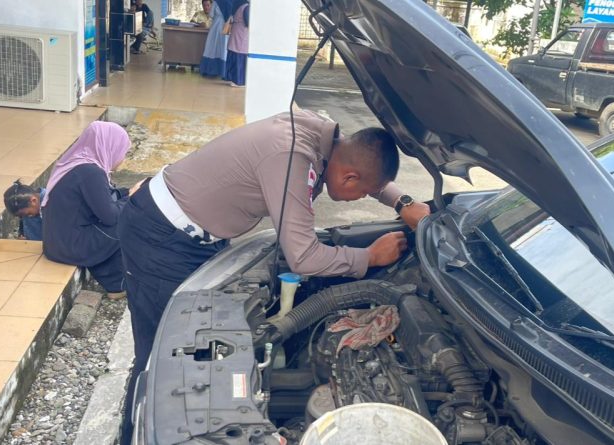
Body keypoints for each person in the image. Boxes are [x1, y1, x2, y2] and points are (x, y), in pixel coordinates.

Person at [116, 109, 429, 443]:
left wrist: (402, 201)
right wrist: (369, 257)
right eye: (365, 193)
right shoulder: (292, 158)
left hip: (194, 232)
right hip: (161, 238)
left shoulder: (325, 137)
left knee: (196, 352)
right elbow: (304, 256)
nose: (364, 197)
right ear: (349, 178)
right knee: (162, 360)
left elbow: (365, 167)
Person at [41, 121, 138, 299]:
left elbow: (103, 197)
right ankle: (116, 285)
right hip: (70, 247)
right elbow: (110, 216)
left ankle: (116, 281)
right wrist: (132, 198)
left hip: (56, 244)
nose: (122, 158)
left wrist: (126, 193)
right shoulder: (90, 172)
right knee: (129, 219)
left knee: (117, 216)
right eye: (122, 151)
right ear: (109, 147)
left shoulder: (76, 163)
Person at [200, 0, 231, 78]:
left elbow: (211, 14)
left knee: (211, 49)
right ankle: (223, 72)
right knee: (223, 50)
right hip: (226, 27)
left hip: (216, 26)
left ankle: (210, 71)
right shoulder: (232, 2)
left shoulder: (216, 1)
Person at [224, 0, 249, 87]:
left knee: (234, 55)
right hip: (241, 35)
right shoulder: (246, 7)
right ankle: (239, 81)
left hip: (235, 33)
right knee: (240, 57)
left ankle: (232, 79)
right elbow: (248, 22)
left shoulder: (237, 6)